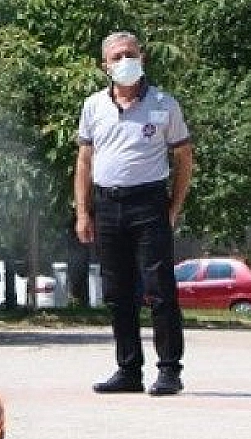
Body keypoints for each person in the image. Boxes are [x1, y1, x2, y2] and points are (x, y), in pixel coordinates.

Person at [74, 30, 194, 396]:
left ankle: (169, 369)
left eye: (130, 54)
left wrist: (173, 206)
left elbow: (184, 158)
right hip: (108, 205)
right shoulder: (93, 106)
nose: (125, 61)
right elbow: (84, 160)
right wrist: (84, 211)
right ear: (104, 66)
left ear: (141, 57)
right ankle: (128, 370)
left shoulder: (164, 104)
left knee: (159, 289)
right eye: (117, 57)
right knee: (117, 291)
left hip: (149, 203)